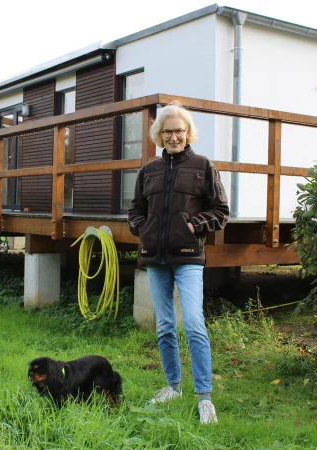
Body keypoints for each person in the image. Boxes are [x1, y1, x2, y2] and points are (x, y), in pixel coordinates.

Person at [128, 101, 229, 425]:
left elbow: (220, 211)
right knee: (165, 325)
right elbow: (135, 210)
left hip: (188, 259)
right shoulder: (148, 171)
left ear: (188, 134)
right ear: (159, 135)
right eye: (168, 131)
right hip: (155, 259)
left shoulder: (203, 166)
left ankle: (204, 397)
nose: (174, 136)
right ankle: (172, 386)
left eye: (180, 131)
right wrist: (143, 229)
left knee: (194, 324)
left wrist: (193, 225)